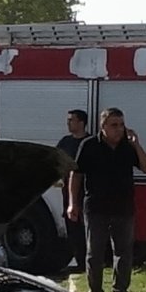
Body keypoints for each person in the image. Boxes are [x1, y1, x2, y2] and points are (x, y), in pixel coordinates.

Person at [68, 107, 146, 292]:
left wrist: (137, 146)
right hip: (96, 207)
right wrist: (72, 203)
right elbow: (76, 174)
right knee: (95, 253)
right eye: (114, 125)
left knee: (123, 252)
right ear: (103, 126)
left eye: (122, 125)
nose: (119, 129)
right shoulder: (89, 145)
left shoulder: (127, 147)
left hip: (123, 207)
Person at [56, 109, 89, 275]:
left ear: (81, 122)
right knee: (73, 229)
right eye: (68, 120)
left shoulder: (90, 142)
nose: (68, 123)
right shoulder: (65, 142)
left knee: (88, 229)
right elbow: (57, 161)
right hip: (67, 191)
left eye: (72, 120)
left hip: (87, 192)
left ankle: (89, 263)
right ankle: (79, 262)